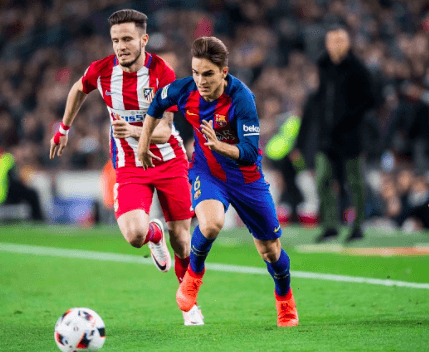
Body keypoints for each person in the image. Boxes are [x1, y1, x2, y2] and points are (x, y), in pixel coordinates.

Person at [49, 9, 202, 326]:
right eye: (116, 40)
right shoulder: (102, 71)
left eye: (128, 39)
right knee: (134, 235)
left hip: (168, 160)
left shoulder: (162, 73)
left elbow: (166, 128)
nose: (121, 46)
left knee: (183, 241)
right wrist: (64, 129)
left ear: (143, 39)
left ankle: (189, 306)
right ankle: (153, 233)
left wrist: (134, 131)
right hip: (129, 164)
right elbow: (78, 88)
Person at [138, 36, 299, 327]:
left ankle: (285, 298)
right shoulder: (184, 90)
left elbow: (250, 153)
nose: (200, 79)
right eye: (196, 72)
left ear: (224, 72)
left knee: (271, 251)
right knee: (210, 224)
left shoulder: (242, 98)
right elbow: (155, 106)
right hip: (207, 172)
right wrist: (143, 143)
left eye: (208, 73)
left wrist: (220, 146)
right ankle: (192, 280)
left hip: (246, 180)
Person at [295, 25, 375, 243]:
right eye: (332, 41)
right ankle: (330, 225)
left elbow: (371, 98)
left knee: (354, 181)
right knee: (322, 179)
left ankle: (357, 226)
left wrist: (350, 118)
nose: (335, 45)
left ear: (347, 44)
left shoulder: (357, 69)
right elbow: (322, 98)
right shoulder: (323, 65)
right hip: (327, 137)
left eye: (340, 41)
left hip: (350, 136)